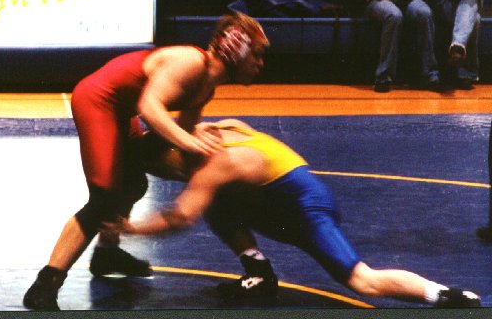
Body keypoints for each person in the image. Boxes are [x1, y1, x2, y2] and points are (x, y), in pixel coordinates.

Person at [22, 12, 269, 311]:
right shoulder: (192, 62)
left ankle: (107, 254)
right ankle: (44, 286)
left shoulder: (206, 87)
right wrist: (188, 141)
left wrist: (198, 153)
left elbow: (175, 134)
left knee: (133, 182)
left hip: (119, 110)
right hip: (98, 101)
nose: (260, 64)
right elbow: (150, 108)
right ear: (236, 49)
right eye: (256, 54)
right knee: (104, 198)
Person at [111, 119, 482, 308]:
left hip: (307, 211)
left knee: (362, 281)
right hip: (281, 202)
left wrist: (131, 228)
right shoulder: (220, 129)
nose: (172, 177)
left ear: (173, 155)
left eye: (167, 171)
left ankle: (447, 296)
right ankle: (259, 274)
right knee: (216, 200)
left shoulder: (213, 164)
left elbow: (179, 217)